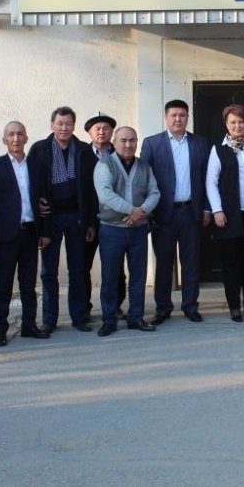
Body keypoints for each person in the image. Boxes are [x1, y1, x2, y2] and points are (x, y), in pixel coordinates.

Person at [140, 100, 211, 324]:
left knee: (191, 262)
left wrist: (207, 207)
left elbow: (208, 178)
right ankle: (163, 308)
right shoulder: (152, 143)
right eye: (174, 115)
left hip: (191, 212)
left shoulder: (200, 143)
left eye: (182, 115)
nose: (178, 119)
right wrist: (147, 211)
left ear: (188, 117)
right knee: (163, 263)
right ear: (166, 117)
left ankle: (190, 306)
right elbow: (143, 179)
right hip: (163, 214)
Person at [0, 121, 52, 345]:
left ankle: (29, 326)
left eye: (20, 134)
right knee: (3, 285)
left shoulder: (37, 165)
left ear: (26, 138)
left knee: (28, 284)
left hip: (30, 232)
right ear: (4, 139)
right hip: (5, 236)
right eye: (11, 134)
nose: (15, 138)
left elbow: (44, 199)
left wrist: (44, 231)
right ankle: (0, 330)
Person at [28, 106, 91, 333]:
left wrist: (90, 222)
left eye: (68, 124)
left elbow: (90, 189)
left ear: (74, 126)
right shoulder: (39, 150)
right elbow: (31, 183)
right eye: (60, 123)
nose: (64, 128)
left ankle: (79, 317)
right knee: (48, 271)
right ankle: (49, 320)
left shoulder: (83, 150)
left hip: (76, 216)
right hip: (50, 217)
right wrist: (36, 203)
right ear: (51, 125)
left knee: (78, 268)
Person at [95, 126, 161, 337]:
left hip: (138, 230)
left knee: (138, 276)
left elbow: (154, 192)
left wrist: (142, 211)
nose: (128, 144)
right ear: (114, 142)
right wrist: (132, 210)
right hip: (112, 230)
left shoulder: (144, 166)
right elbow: (105, 194)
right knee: (110, 277)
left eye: (132, 140)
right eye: (123, 140)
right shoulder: (104, 164)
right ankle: (109, 320)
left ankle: (136, 318)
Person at [206, 104, 244, 322]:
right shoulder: (219, 149)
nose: (237, 126)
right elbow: (211, 182)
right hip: (230, 215)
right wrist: (217, 210)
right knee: (231, 264)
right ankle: (234, 306)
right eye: (233, 122)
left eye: (241, 122)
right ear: (226, 124)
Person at [78, 113, 126, 321]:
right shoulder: (81, 155)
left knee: (115, 266)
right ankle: (85, 308)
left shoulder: (121, 153)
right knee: (83, 265)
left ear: (112, 132)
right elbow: (81, 191)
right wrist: (88, 221)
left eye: (106, 128)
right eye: (97, 128)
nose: (101, 132)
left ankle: (115, 306)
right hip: (89, 220)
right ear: (89, 133)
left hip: (116, 219)